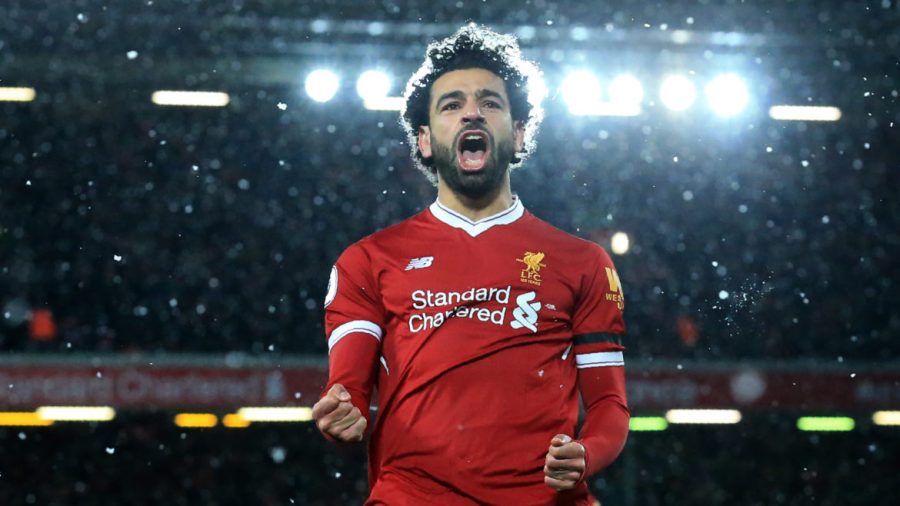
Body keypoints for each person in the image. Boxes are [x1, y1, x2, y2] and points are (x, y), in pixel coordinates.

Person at [312, 24, 630, 505]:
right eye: (451, 104)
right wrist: (344, 413)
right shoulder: (367, 262)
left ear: (518, 133)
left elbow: (609, 404)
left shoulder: (583, 262)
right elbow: (348, 389)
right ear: (424, 139)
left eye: (490, 103)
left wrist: (587, 452)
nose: (472, 113)